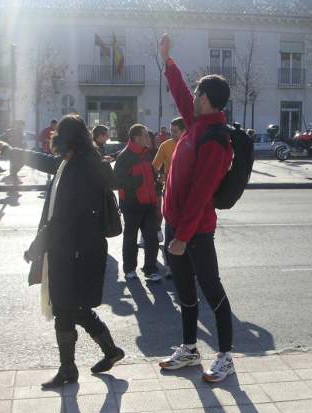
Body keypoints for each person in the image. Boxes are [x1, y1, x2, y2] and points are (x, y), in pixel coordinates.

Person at [9, 114, 125, 388]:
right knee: (75, 308)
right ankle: (109, 352)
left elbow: (62, 219)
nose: (54, 137)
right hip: (78, 247)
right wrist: (13, 151)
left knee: (65, 308)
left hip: (75, 250)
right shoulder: (76, 161)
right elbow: (50, 163)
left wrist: (36, 247)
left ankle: (68, 369)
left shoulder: (79, 168)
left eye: (58, 133)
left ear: (65, 138)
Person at [157, 34, 236, 383]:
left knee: (211, 290)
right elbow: (179, 93)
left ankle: (226, 356)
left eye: (196, 93)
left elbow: (201, 194)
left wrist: (183, 237)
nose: (191, 97)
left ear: (205, 99)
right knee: (185, 292)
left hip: (196, 230)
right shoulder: (197, 124)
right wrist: (168, 62)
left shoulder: (216, 139)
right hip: (176, 225)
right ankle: (190, 349)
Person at [114, 124, 162, 282]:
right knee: (130, 238)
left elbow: (152, 176)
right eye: (146, 135)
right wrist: (139, 181)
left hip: (149, 205)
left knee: (152, 238)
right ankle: (129, 269)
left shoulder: (147, 154)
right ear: (137, 138)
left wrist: (157, 182)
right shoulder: (124, 156)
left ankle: (150, 269)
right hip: (131, 206)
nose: (149, 138)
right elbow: (117, 181)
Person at [153, 116, 186, 277]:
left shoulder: (192, 145)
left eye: (175, 131)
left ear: (184, 131)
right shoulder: (165, 145)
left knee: (186, 229)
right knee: (170, 229)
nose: (171, 134)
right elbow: (155, 166)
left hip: (187, 194)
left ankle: (188, 266)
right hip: (170, 193)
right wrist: (160, 176)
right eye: (171, 130)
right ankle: (170, 267)